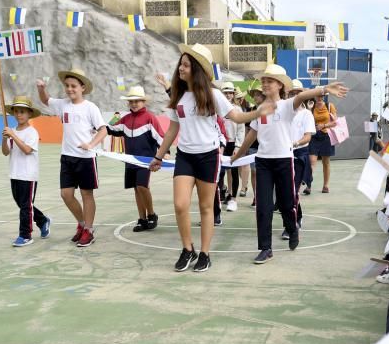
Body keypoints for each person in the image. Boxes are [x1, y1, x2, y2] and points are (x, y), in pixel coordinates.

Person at [149, 43, 271, 273]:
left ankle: (205, 253)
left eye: (186, 65)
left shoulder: (213, 95)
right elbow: (172, 129)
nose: (181, 69)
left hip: (208, 157)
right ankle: (188, 249)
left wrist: (257, 112)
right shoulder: (179, 96)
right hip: (185, 156)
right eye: (181, 64)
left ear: (196, 69)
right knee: (180, 204)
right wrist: (158, 155)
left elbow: (236, 116)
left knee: (206, 207)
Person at [232, 64, 348, 264]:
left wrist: (324, 89)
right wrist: (236, 157)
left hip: (284, 161)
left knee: (286, 204)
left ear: (279, 85)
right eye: (264, 81)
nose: (265, 84)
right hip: (263, 163)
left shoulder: (287, 105)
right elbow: (251, 136)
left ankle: (293, 229)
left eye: (269, 81)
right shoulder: (260, 109)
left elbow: (302, 97)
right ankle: (266, 248)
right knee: (263, 206)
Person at [37, 68, 107, 248]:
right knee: (66, 194)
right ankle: (82, 223)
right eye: (67, 86)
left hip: (86, 158)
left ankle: (89, 230)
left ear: (82, 87)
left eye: (74, 86)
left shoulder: (90, 107)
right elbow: (45, 100)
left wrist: (90, 145)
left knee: (86, 194)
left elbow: (103, 130)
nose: (70, 89)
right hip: (67, 157)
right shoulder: (62, 104)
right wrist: (41, 88)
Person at [106, 86, 164, 232]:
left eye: (137, 101)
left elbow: (160, 137)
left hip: (146, 160)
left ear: (143, 102)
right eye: (131, 101)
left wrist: (164, 153)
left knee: (142, 186)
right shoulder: (125, 119)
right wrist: (99, 125)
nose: (134, 104)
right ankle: (142, 219)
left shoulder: (150, 118)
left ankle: (152, 215)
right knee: (136, 190)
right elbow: (111, 129)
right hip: (130, 160)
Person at [1, 96, 51, 247]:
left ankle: (25, 235)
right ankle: (42, 220)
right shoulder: (12, 132)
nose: (19, 115)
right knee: (23, 203)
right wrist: (5, 138)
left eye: (22, 112)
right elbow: (5, 152)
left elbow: (27, 150)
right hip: (14, 173)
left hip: (28, 175)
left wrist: (13, 136)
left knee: (25, 206)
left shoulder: (31, 132)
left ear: (29, 114)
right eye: (16, 111)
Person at [282, 78, 316, 240]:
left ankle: (291, 226)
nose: (295, 95)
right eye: (292, 93)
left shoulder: (306, 113)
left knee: (292, 192)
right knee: (285, 193)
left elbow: (308, 137)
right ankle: (298, 217)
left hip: (299, 156)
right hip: (283, 155)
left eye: (298, 93)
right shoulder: (284, 112)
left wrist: (294, 143)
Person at [220, 81, 244, 213]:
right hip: (220, 144)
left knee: (234, 172)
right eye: (226, 92)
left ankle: (233, 199)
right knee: (219, 172)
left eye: (230, 93)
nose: (228, 95)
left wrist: (238, 146)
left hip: (233, 144)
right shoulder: (217, 108)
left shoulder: (238, 109)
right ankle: (221, 194)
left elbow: (241, 129)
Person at [308, 94, 338, 193]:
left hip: (327, 136)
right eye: (318, 96)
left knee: (326, 162)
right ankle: (309, 185)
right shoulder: (311, 106)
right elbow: (307, 120)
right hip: (314, 136)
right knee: (312, 161)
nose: (320, 98)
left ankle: (325, 185)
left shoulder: (329, 106)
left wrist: (324, 125)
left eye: (322, 96)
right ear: (314, 96)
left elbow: (335, 122)